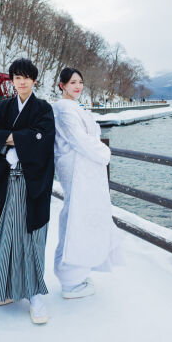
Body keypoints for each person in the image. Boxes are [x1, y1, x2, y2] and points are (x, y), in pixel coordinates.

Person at [0, 58, 56, 325]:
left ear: (34, 80)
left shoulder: (43, 108)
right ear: (11, 81)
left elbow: (43, 138)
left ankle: (34, 295)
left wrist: (11, 138)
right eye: (17, 77)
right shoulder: (5, 106)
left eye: (27, 77)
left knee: (31, 236)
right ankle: (5, 289)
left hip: (32, 182)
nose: (22, 81)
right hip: (8, 182)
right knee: (7, 233)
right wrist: (23, 137)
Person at [52, 67, 124, 299]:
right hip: (76, 168)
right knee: (78, 217)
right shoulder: (64, 109)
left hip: (81, 167)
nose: (78, 86)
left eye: (80, 82)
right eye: (72, 82)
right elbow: (79, 139)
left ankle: (76, 272)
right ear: (62, 85)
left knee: (81, 215)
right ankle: (71, 279)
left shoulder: (74, 106)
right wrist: (105, 152)